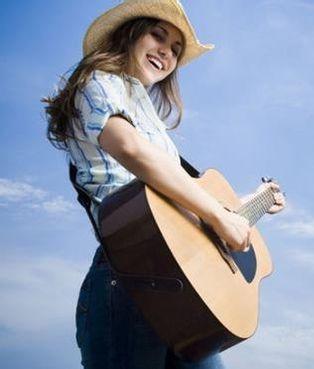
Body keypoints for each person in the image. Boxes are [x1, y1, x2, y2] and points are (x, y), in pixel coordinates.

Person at [42, 0, 286, 368]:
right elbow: (130, 148)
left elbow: (184, 209)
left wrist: (252, 202)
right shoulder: (98, 81)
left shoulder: (154, 124)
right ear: (129, 34)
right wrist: (220, 218)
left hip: (187, 293)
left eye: (175, 49)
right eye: (158, 35)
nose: (167, 53)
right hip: (129, 278)